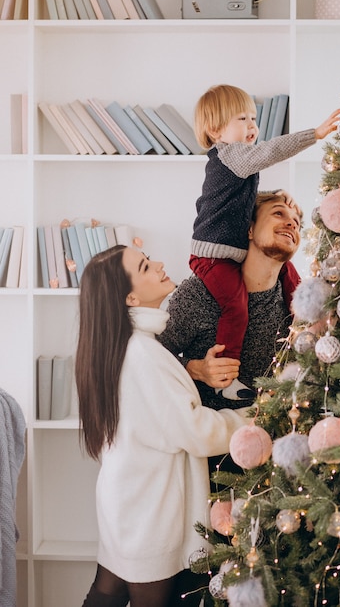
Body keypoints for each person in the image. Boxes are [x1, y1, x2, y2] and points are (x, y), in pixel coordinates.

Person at [76, 245, 250, 607]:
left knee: (107, 593)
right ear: (130, 296)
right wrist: (253, 419)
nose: (157, 264)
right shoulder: (142, 355)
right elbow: (196, 431)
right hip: (149, 514)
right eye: (144, 266)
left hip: (127, 502)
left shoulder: (124, 347)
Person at [190, 84, 340, 399]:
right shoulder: (232, 154)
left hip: (225, 252)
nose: (252, 127)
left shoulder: (229, 167)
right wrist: (313, 134)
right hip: (213, 258)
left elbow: (229, 202)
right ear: (216, 130)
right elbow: (270, 151)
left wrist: (272, 198)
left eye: (253, 118)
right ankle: (227, 373)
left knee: (290, 278)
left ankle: (302, 335)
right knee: (236, 306)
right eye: (242, 118)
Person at [159, 189, 302, 412]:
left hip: (281, 437)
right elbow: (151, 358)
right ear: (250, 229)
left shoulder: (297, 300)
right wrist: (197, 369)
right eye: (278, 214)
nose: (292, 224)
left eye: (296, 222)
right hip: (215, 439)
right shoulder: (199, 293)